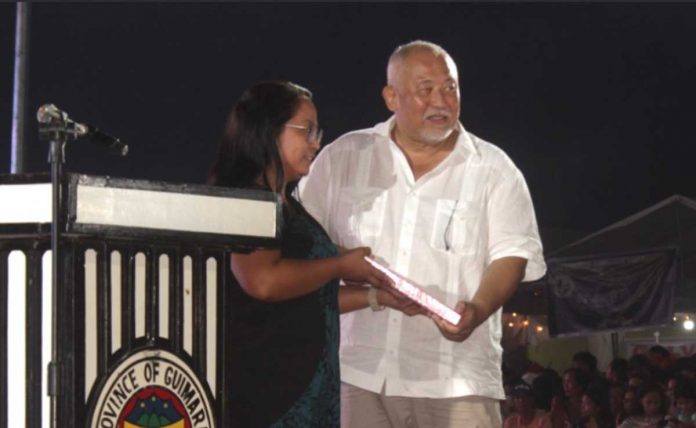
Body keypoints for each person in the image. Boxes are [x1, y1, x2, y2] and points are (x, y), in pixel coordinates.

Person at [299, 40, 546, 427]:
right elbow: (304, 245)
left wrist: (477, 310)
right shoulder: (344, 157)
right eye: (426, 89)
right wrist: (345, 262)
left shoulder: (494, 170)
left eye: (450, 88)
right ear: (391, 96)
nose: (441, 101)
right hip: (356, 374)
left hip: (456, 384)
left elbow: (512, 256)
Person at [208, 81, 407, 427]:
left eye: (318, 131)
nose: (316, 142)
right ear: (268, 129)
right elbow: (264, 281)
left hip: (307, 391)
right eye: (307, 130)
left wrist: (378, 296)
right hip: (268, 397)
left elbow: (306, 297)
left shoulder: (289, 206)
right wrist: (340, 265)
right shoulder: (245, 199)